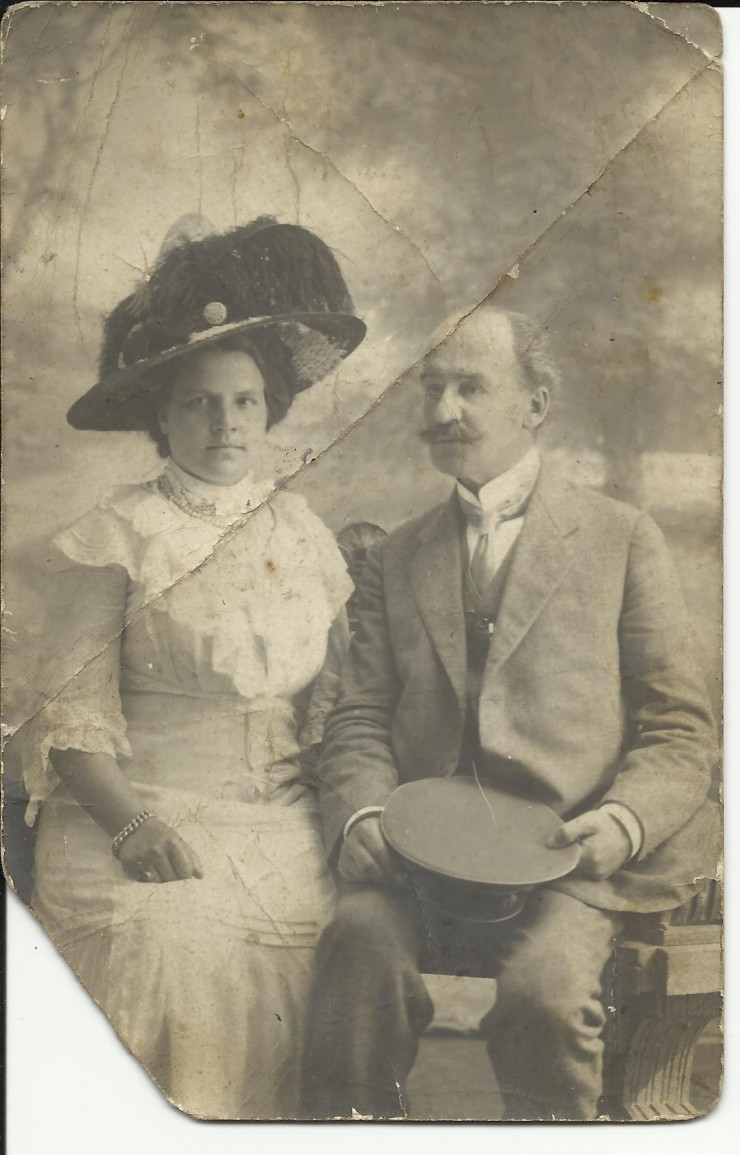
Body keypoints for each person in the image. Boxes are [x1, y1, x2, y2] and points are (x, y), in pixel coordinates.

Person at [301, 303, 719, 1121]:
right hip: (419, 860)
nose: (444, 410)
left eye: (471, 387)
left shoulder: (621, 537)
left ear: (536, 403)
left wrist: (623, 821)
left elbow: (680, 728)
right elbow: (360, 716)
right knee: (356, 952)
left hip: (569, 857)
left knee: (545, 998)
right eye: (432, 388)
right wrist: (362, 817)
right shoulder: (399, 553)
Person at [21, 215, 365, 1119]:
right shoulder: (115, 535)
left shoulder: (301, 531)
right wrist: (133, 826)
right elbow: (69, 721)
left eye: (244, 401)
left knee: (352, 954)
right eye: (200, 403)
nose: (225, 423)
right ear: (161, 417)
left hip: (282, 828)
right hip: (139, 819)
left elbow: (339, 703)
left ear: (268, 408)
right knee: (180, 950)